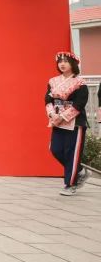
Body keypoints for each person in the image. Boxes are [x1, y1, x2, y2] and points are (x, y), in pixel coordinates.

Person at [46, 51, 90, 196]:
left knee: (71, 153)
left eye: (66, 61)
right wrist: (52, 115)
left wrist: (63, 117)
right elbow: (48, 100)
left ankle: (70, 184)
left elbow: (79, 104)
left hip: (75, 122)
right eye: (60, 61)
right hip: (57, 119)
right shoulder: (53, 81)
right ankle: (79, 171)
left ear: (73, 64)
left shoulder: (80, 83)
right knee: (56, 149)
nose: (62, 64)